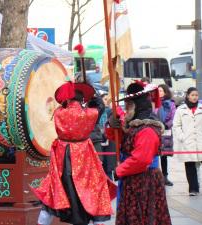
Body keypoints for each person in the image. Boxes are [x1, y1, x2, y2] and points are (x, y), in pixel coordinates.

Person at [32, 82, 116, 225]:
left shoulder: (59, 113)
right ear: (81, 100)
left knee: (55, 189)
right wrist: (95, 99)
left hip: (62, 156)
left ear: (68, 99)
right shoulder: (89, 114)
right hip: (84, 155)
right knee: (92, 188)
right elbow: (99, 108)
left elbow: (62, 108)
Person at [107, 81, 171, 225]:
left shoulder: (147, 129)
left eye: (129, 105)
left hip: (145, 181)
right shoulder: (134, 125)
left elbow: (141, 159)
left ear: (138, 106)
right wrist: (112, 126)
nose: (127, 109)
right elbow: (120, 141)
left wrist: (119, 170)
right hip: (134, 180)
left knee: (143, 217)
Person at [173, 87, 202, 196]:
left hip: (200, 141)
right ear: (188, 96)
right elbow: (176, 125)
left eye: (196, 95)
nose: (195, 97)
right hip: (188, 142)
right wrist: (182, 136)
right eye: (193, 95)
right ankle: (193, 189)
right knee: (190, 166)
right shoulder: (181, 109)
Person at [154, 84, 176, 186]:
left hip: (166, 131)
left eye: (161, 91)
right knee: (154, 154)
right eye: (158, 91)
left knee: (164, 156)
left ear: (166, 92)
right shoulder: (153, 103)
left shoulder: (170, 103)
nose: (159, 92)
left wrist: (166, 125)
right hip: (155, 131)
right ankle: (155, 177)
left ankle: (165, 177)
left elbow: (173, 117)